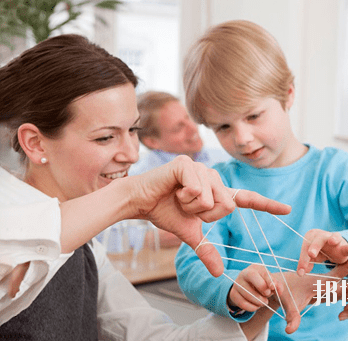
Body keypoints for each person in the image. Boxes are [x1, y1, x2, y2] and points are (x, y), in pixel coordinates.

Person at [0, 33, 315, 340]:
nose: (132, 154)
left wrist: (267, 302)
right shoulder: (11, 227)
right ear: (36, 143)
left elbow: (155, 336)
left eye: (133, 130)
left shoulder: (88, 251)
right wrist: (129, 197)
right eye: (105, 137)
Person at [175, 20, 348, 341]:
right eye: (223, 127)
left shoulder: (334, 171)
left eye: (253, 116)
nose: (243, 139)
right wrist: (232, 288)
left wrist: (347, 249)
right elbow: (192, 263)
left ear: (288, 95)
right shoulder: (218, 184)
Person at [127, 91, 231, 248]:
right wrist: (150, 238)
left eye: (188, 118)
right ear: (152, 141)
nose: (193, 129)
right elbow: (113, 235)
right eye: (178, 128)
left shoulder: (226, 159)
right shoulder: (137, 178)